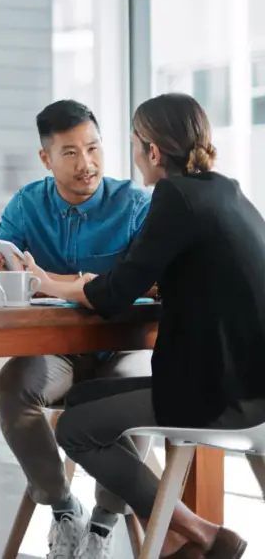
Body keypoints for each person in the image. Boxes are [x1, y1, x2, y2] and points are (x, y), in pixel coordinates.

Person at [26, 94, 265, 559]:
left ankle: (201, 531)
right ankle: (183, 537)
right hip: (251, 382)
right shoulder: (225, 189)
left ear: (153, 151)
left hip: (220, 394)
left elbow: (115, 293)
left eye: (135, 144)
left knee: (74, 429)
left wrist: (50, 283)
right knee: (84, 397)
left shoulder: (174, 196)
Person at [0, 100, 152, 559]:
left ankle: (105, 524)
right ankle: (63, 508)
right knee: (12, 388)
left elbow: (156, 280)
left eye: (93, 148)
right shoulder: (28, 203)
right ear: (46, 159)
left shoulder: (134, 204)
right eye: (70, 153)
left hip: (122, 347)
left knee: (136, 395)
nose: (86, 164)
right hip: (58, 352)